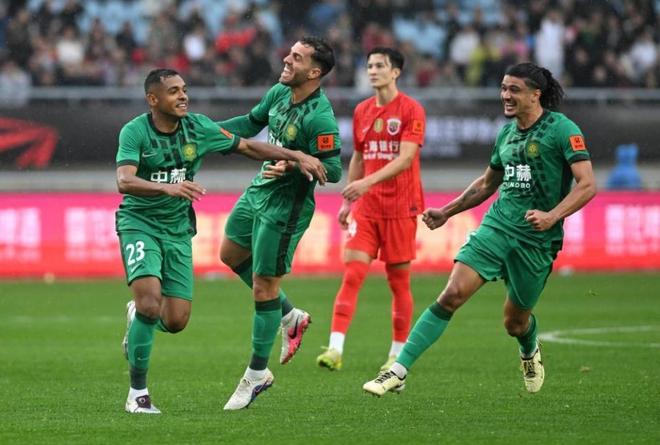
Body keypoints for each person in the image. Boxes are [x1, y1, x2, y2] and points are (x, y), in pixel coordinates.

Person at [363, 62, 597, 396]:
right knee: (452, 294)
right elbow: (488, 184)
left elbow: (587, 185)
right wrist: (447, 212)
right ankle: (397, 371)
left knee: (514, 322)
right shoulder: (506, 134)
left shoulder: (562, 129)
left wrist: (551, 216)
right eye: (503, 88)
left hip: (536, 240)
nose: (506, 96)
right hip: (497, 226)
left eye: (514, 90)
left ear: (536, 94)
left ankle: (529, 347)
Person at [116, 68, 327, 414]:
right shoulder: (135, 131)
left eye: (184, 89)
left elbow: (247, 146)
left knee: (176, 321)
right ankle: (137, 395)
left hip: (177, 229)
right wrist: (168, 188)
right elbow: (124, 181)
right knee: (151, 303)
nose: (183, 96)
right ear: (153, 99)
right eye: (173, 91)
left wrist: (295, 155)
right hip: (139, 224)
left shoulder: (197, 127)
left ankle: (137, 315)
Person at [217, 36, 342, 410]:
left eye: (297, 57)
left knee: (263, 287)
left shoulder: (320, 117)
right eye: (290, 53)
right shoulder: (278, 93)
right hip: (259, 190)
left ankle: (257, 374)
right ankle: (290, 315)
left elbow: (333, 169)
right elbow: (250, 123)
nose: (287, 59)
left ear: (314, 72)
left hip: (286, 208)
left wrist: (293, 163)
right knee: (230, 254)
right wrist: (201, 129)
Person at [316, 47, 426, 373]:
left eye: (380, 65)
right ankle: (335, 348)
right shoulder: (362, 110)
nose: (373, 71)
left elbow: (406, 158)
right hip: (367, 208)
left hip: (401, 207)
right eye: (370, 66)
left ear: (396, 72)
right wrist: (348, 201)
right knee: (352, 274)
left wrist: (366, 183)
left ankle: (397, 354)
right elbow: (359, 157)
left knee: (398, 282)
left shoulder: (411, 110)